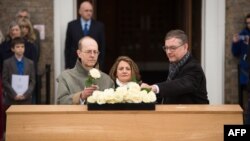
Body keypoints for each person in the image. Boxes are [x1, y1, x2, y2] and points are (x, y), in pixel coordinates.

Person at [141, 29, 209, 104]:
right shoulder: (174, 64)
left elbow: (180, 85)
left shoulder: (194, 67)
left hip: (194, 114)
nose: (168, 52)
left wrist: (154, 87)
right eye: (166, 48)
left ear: (185, 47)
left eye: (173, 48)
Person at [57, 36, 114, 105]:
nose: (92, 55)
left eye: (95, 52)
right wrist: (81, 96)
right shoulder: (66, 77)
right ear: (79, 53)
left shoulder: (107, 80)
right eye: (88, 51)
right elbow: (60, 102)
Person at [65, 1, 105, 70]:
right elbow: (68, 47)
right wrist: (67, 65)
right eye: (86, 10)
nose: (89, 13)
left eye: (90, 11)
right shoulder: (72, 25)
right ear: (80, 11)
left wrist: (100, 65)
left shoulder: (99, 26)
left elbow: (102, 47)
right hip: (74, 65)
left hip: (93, 65)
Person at [231, 13, 250, 109]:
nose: (249, 25)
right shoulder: (242, 35)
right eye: (248, 23)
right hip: (246, 71)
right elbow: (235, 53)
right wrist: (234, 43)